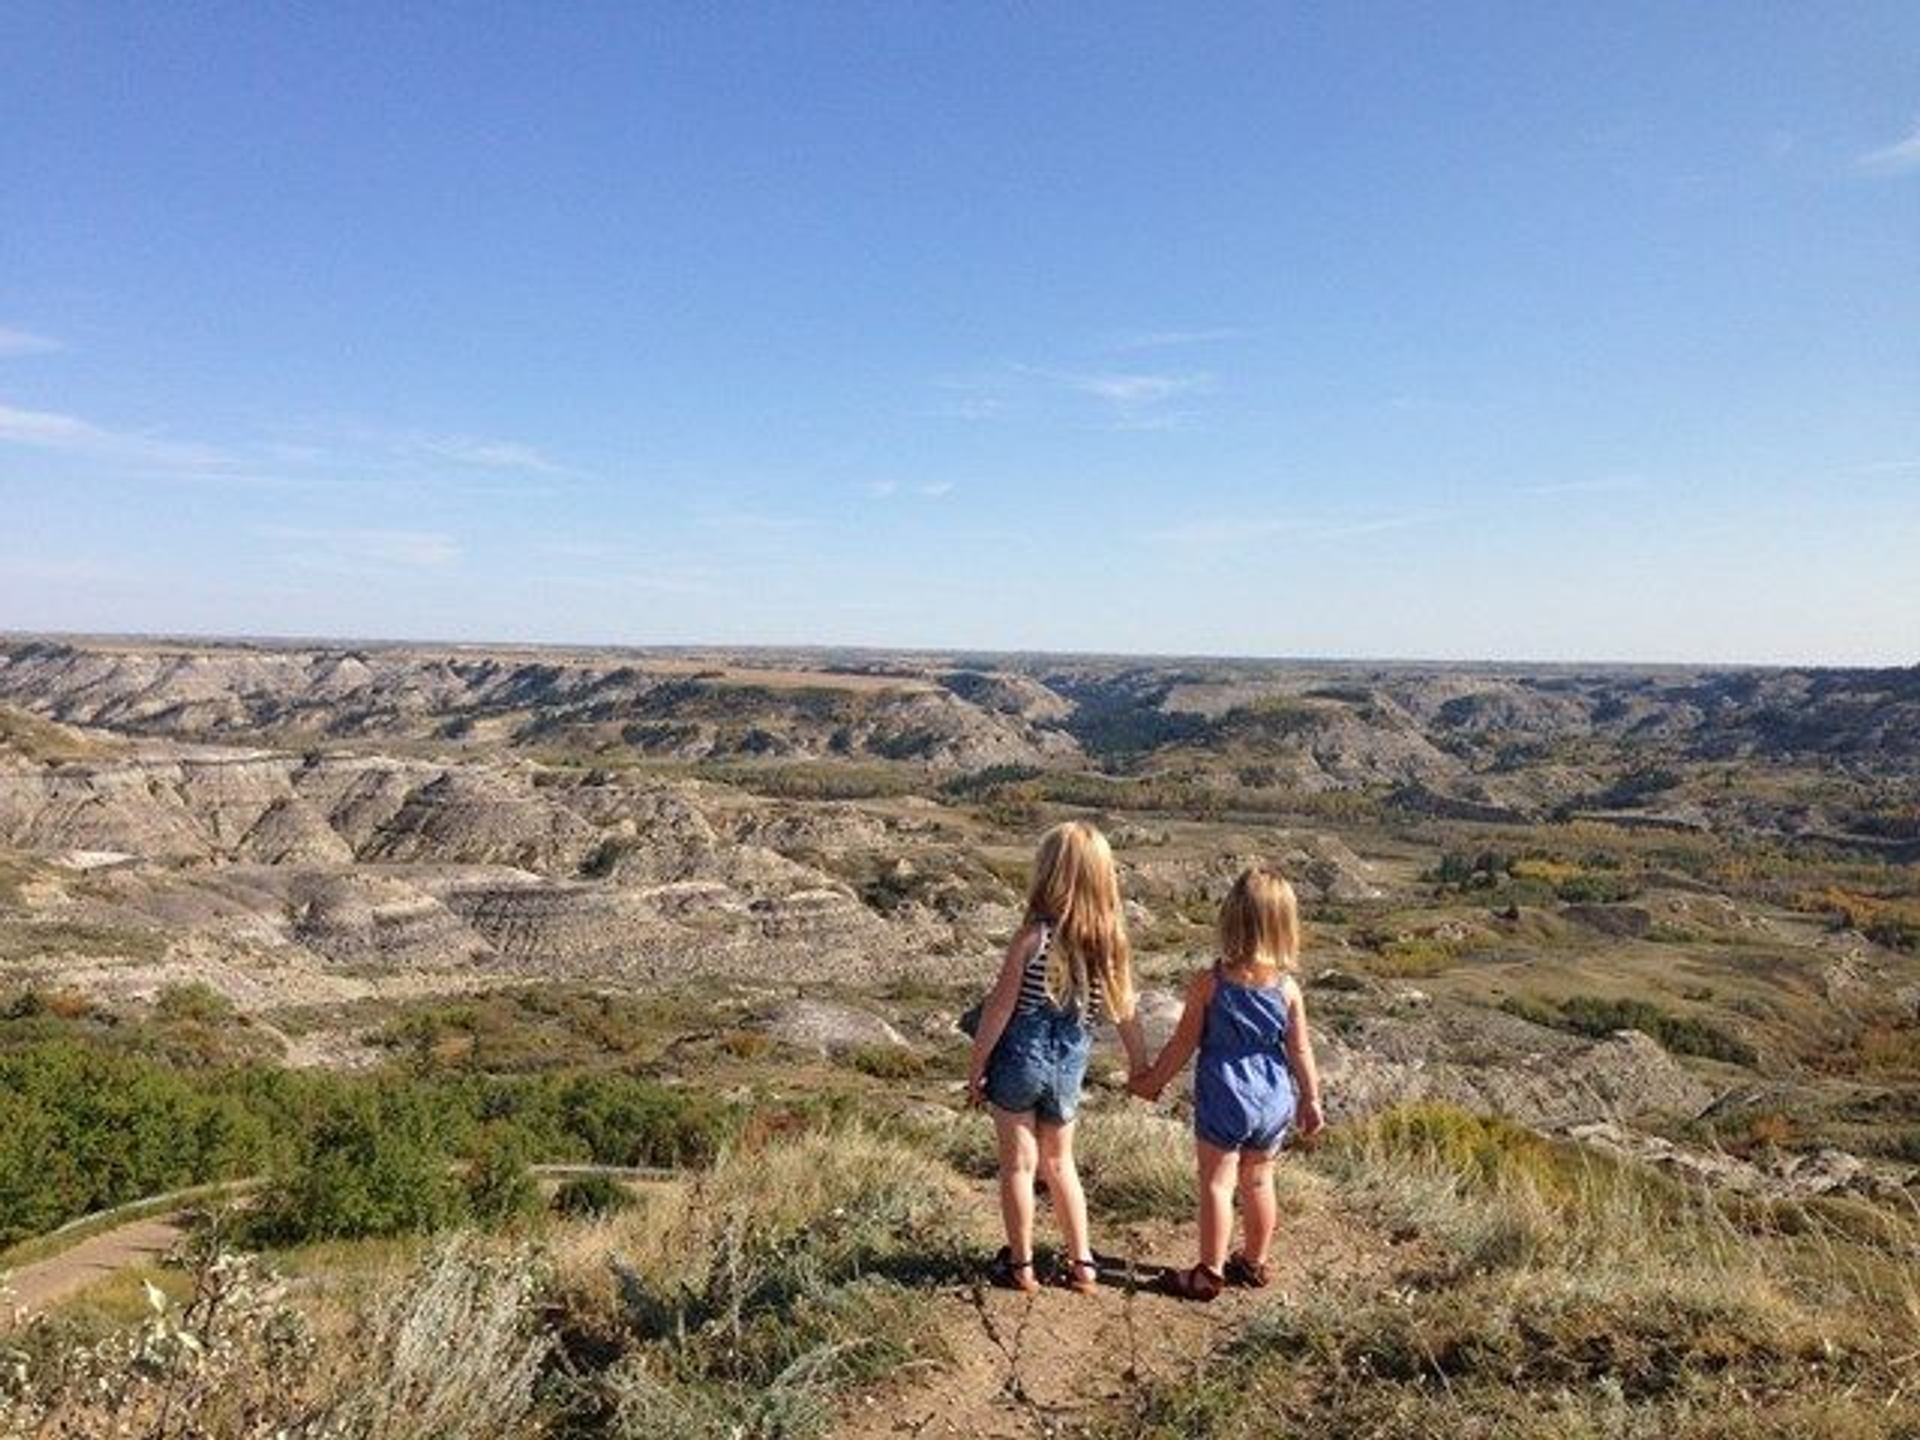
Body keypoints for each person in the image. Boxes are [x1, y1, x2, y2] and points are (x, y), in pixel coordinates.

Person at [1128, 865, 1325, 1301]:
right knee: (1258, 1182)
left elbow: (1183, 1044)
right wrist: (1310, 1098)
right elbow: (1300, 1050)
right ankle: (1254, 1262)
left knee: (1217, 1183)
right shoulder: (1287, 989)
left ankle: (1209, 1272)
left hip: (1225, 1094)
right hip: (1273, 1098)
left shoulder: (1210, 984)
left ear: (1231, 920)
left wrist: (1151, 1081)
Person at [967, 820, 1147, 1294]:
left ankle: (1021, 1266)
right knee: (1061, 1163)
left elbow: (999, 1008)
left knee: (1019, 1166)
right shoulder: (1109, 945)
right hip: (1069, 1064)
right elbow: (1126, 1012)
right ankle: (1083, 1264)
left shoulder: (1033, 938)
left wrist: (977, 1064)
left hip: (1019, 1061)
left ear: (1048, 874)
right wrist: (1140, 1066)